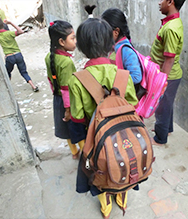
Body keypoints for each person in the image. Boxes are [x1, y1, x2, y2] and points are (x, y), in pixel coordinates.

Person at [69, 18, 138, 219]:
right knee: (122, 164)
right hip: (123, 136)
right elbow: (132, 106)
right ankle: (122, 198)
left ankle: (105, 206)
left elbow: (77, 117)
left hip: (96, 140)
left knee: (98, 173)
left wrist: (82, 146)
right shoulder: (123, 75)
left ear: (81, 47)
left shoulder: (77, 79)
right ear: (111, 45)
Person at [45, 20, 86, 159]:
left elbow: (51, 80)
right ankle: (87, 155)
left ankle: (74, 153)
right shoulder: (66, 62)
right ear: (62, 42)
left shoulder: (49, 57)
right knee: (76, 128)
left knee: (66, 129)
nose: (75, 41)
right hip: (68, 102)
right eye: (72, 38)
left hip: (57, 99)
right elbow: (67, 88)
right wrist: (68, 109)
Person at [150, 0, 186, 145]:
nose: (159, 2)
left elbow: (169, 60)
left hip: (169, 76)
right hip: (170, 75)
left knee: (162, 107)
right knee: (167, 104)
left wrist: (161, 82)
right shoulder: (172, 22)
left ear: (170, 2)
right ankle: (167, 129)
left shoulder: (171, 28)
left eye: (162, 0)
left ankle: (160, 138)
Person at [101, 8, 143, 97]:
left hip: (125, 98)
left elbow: (136, 77)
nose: (103, 35)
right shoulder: (114, 47)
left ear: (116, 32)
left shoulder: (125, 50)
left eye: (105, 32)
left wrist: (113, 80)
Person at [0, 17, 39, 92]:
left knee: (7, 72)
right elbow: (21, 31)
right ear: (3, 24)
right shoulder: (10, 33)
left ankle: (9, 88)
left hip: (9, 57)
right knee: (23, 71)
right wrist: (10, 23)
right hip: (18, 55)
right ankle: (33, 86)